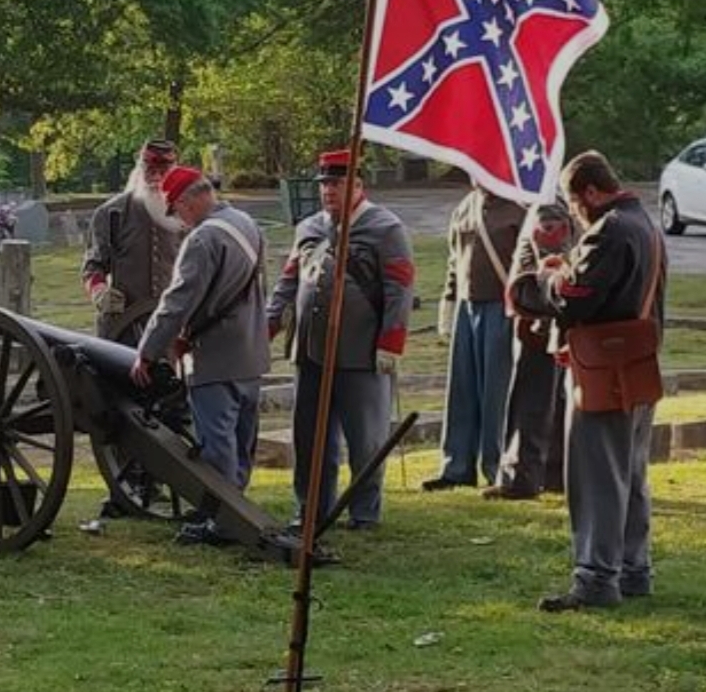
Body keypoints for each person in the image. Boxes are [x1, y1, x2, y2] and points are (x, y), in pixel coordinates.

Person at [536, 151, 666, 612]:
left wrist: (548, 276)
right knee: (629, 475)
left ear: (591, 192)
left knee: (596, 478)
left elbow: (576, 298)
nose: (574, 211)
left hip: (603, 371)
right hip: (637, 363)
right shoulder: (646, 224)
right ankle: (634, 570)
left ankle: (595, 577)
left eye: (574, 202)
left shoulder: (610, 230)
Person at [266, 149, 415, 532]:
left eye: (337, 183)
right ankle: (311, 508)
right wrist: (267, 326)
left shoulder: (385, 228)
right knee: (310, 438)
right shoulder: (310, 227)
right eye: (325, 184)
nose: (329, 191)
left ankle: (364, 511)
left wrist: (390, 343)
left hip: (360, 350)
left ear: (358, 185)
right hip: (311, 349)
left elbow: (399, 288)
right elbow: (289, 281)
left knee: (365, 438)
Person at [131, 166, 270, 543]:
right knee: (242, 441)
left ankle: (224, 522)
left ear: (192, 198)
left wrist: (147, 351)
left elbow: (177, 302)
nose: (178, 218)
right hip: (249, 352)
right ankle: (235, 511)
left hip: (214, 354)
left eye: (177, 209)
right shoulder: (247, 224)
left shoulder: (202, 240)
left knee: (217, 443)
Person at [422, 184, 525, 492]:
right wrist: (450, 303)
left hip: (502, 307)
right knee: (462, 391)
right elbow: (456, 260)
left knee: (497, 392)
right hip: (468, 306)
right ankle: (456, 466)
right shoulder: (466, 206)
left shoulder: (522, 206)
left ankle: (497, 467)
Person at [483, 199, 573, 500]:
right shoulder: (541, 203)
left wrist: (542, 325)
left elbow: (551, 263)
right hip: (541, 319)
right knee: (551, 399)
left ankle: (521, 475)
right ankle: (553, 473)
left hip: (539, 321)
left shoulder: (545, 205)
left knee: (531, 398)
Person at [82, 139, 184, 339]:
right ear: (139, 170)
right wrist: (99, 292)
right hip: (122, 327)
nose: (156, 178)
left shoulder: (187, 213)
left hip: (173, 328)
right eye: (150, 171)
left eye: (163, 172)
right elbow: (92, 267)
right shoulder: (111, 213)